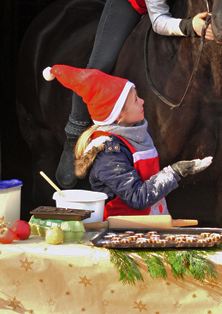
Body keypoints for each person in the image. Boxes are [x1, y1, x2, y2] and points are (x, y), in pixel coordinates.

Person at [60, 0, 214, 184]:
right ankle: (73, 135)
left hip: (179, 5)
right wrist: (189, 26)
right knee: (98, 66)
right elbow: (158, 20)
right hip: (135, 2)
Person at [44, 64, 212, 218]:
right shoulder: (108, 152)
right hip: (123, 233)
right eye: (136, 100)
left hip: (152, 224)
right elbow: (137, 197)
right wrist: (175, 172)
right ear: (118, 116)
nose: (142, 101)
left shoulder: (138, 132)